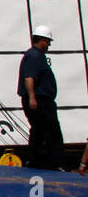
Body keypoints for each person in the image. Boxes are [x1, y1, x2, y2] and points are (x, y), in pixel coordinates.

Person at [19, 25, 63, 170]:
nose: (49, 44)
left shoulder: (35, 55)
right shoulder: (34, 56)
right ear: (41, 40)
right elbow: (29, 78)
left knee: (40, 130)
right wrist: (32, 98)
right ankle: (52, 163)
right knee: (52, 132)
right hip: (40, 100)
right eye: (47, 41)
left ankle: (36, 161)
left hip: (40, 100)